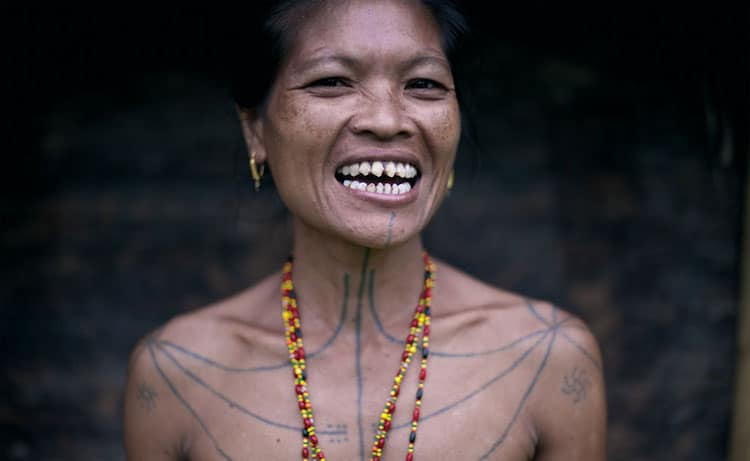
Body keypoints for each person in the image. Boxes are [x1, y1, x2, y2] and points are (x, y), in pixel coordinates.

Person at [123, 1, 607, 459]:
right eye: (333, 81)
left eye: (423, 84)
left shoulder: (549, 359)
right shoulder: (174, 375)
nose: (387, 120)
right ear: (255, 130)